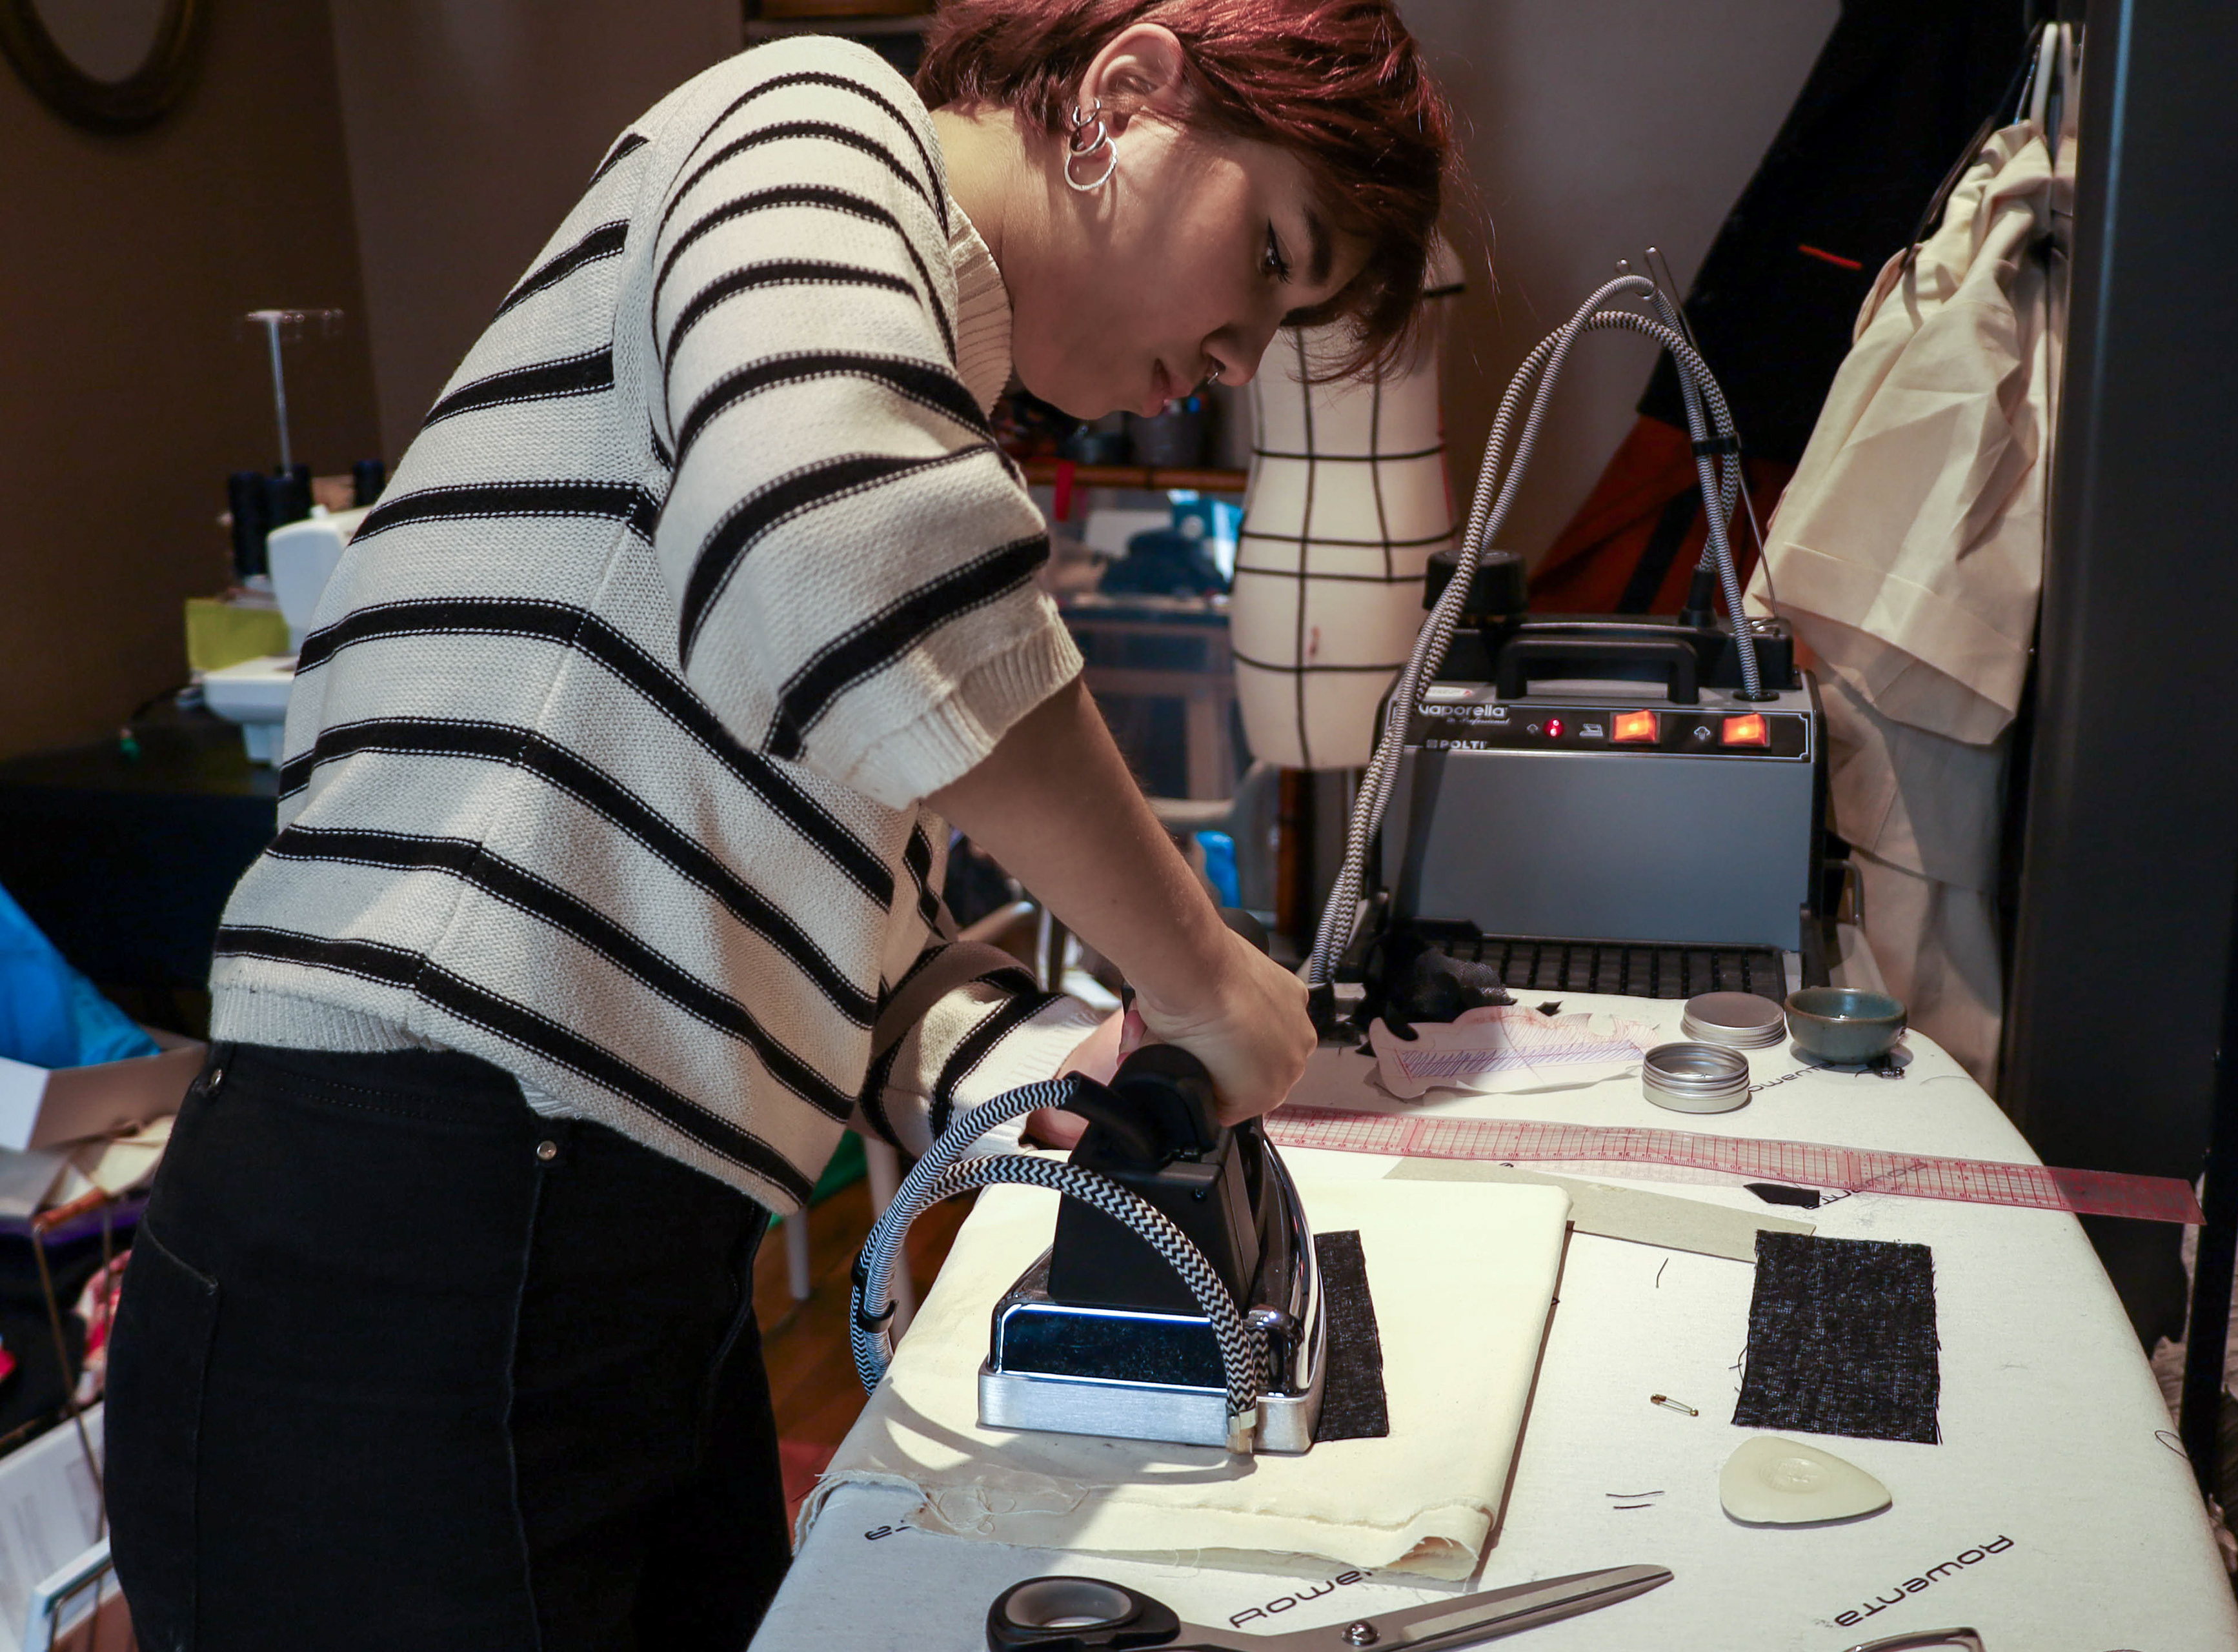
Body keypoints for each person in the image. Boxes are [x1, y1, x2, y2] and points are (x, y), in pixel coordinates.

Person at [103, 3, 1452, 1647]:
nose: (1238, 359)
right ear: (1127, 91)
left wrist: (1064, 1069)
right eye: (1271, 256)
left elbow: (839, 936)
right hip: (398, 1243)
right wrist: (1197, 972)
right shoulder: (813, 125)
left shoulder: (909, 420)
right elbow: (840, 552)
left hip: (621, 1258)